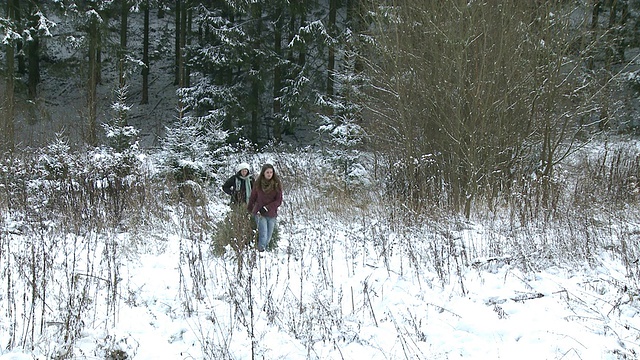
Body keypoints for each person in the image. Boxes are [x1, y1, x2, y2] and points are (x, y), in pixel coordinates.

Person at [247, 163, 283, 252]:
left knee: (269, 236)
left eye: (271, 172)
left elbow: (278, 201)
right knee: (263, 234)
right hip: (259, 213)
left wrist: (267, 207)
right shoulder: (258, 184)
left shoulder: (276, 184)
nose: (269, 174)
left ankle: (264, 250)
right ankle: (261, 252)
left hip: (271, 213)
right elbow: (253, 197)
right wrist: (250, 209)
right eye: (267, 172)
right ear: (263, 173)